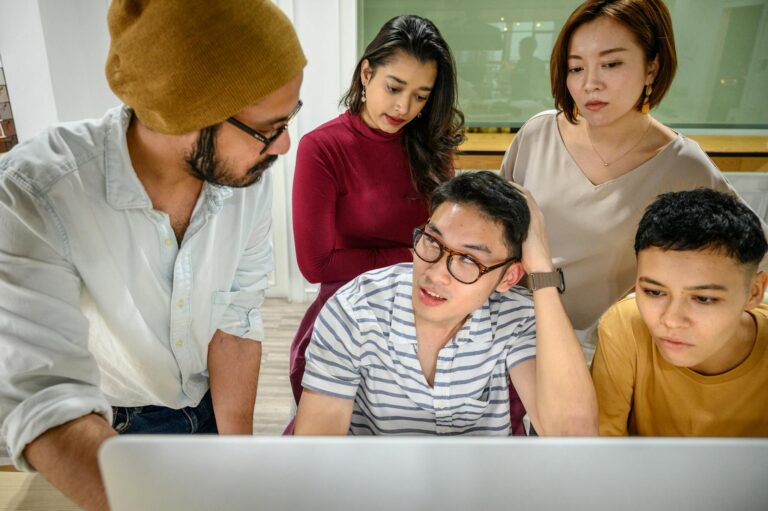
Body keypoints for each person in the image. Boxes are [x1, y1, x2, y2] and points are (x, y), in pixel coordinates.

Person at [0, 1, 305, 509]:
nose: (284, 145)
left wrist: (240, 466)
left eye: (290, 118)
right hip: (106, 434)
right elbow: (46, 400)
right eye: (269, 128)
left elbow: (234, 322)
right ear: (186, 112)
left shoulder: (244, 179)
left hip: (207, 404)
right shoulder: (36, 194)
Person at [500, 0, 757, 347]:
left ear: (652, 67)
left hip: (601, 346)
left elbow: (752, 251)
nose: (591, 83)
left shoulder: (683, 164)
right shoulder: (537, 134)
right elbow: (495, 227)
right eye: (576, 68)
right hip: (510, 329)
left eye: (611, 63)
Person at [293, 171, 597, 436]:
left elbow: (573, 433)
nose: (435, 273)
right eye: (432, 242)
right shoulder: (354, 311)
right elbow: (319, 454)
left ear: (508, 278)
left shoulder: (517, 316)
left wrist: (541, 270)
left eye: (468, 259)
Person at [289, 15, 464, 410]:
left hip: (427, 308)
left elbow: (446, 240)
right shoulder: (322, 148)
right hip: (353, 313)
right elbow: (316, 265)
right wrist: (416, 256)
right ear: (366, 73)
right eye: (394, 87)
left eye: (421, 96)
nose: (404, 107)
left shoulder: (433, 146)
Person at [591, 188, 768, 436]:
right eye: (654, 292)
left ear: (754, 292)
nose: (671, 320)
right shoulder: (625, 325)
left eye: (704, 298)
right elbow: (598, 452)